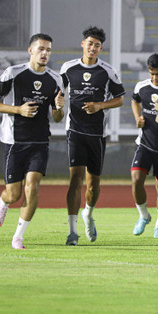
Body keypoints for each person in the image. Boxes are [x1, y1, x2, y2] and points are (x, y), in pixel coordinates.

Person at [0, 33, 64, 249]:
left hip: (40, 141)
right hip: (15, 141)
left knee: (33, 187)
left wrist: (59, 107)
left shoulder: (55, 79)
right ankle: (3, 202)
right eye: (41, 48)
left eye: (48, 50)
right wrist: (18, 110)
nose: (45, 53)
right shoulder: (13, 73)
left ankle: (18, 236)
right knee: (14, 193)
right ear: (30, 50)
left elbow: (57, 117)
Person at [60, 27, 125, 246]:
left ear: (101, 48)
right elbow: (59, 93)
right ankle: (72, 231)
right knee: (74, 180)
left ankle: (88, 213)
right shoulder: (68, 68)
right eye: (90, 43)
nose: (93, 48)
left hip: (97, 133)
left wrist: (100, 105)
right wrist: (57, 104)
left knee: (93, 185)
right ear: (83, 44)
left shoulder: (107, 71)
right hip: (75, 132)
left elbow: (120, 99)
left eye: (97, 45)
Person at [130, 53, 158, 238]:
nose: (155, 78)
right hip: (145, 143)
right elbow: (135, 100)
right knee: (136, 179)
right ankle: (144, 215)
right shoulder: (142, 87)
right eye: (152, 73)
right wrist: (138, 118)